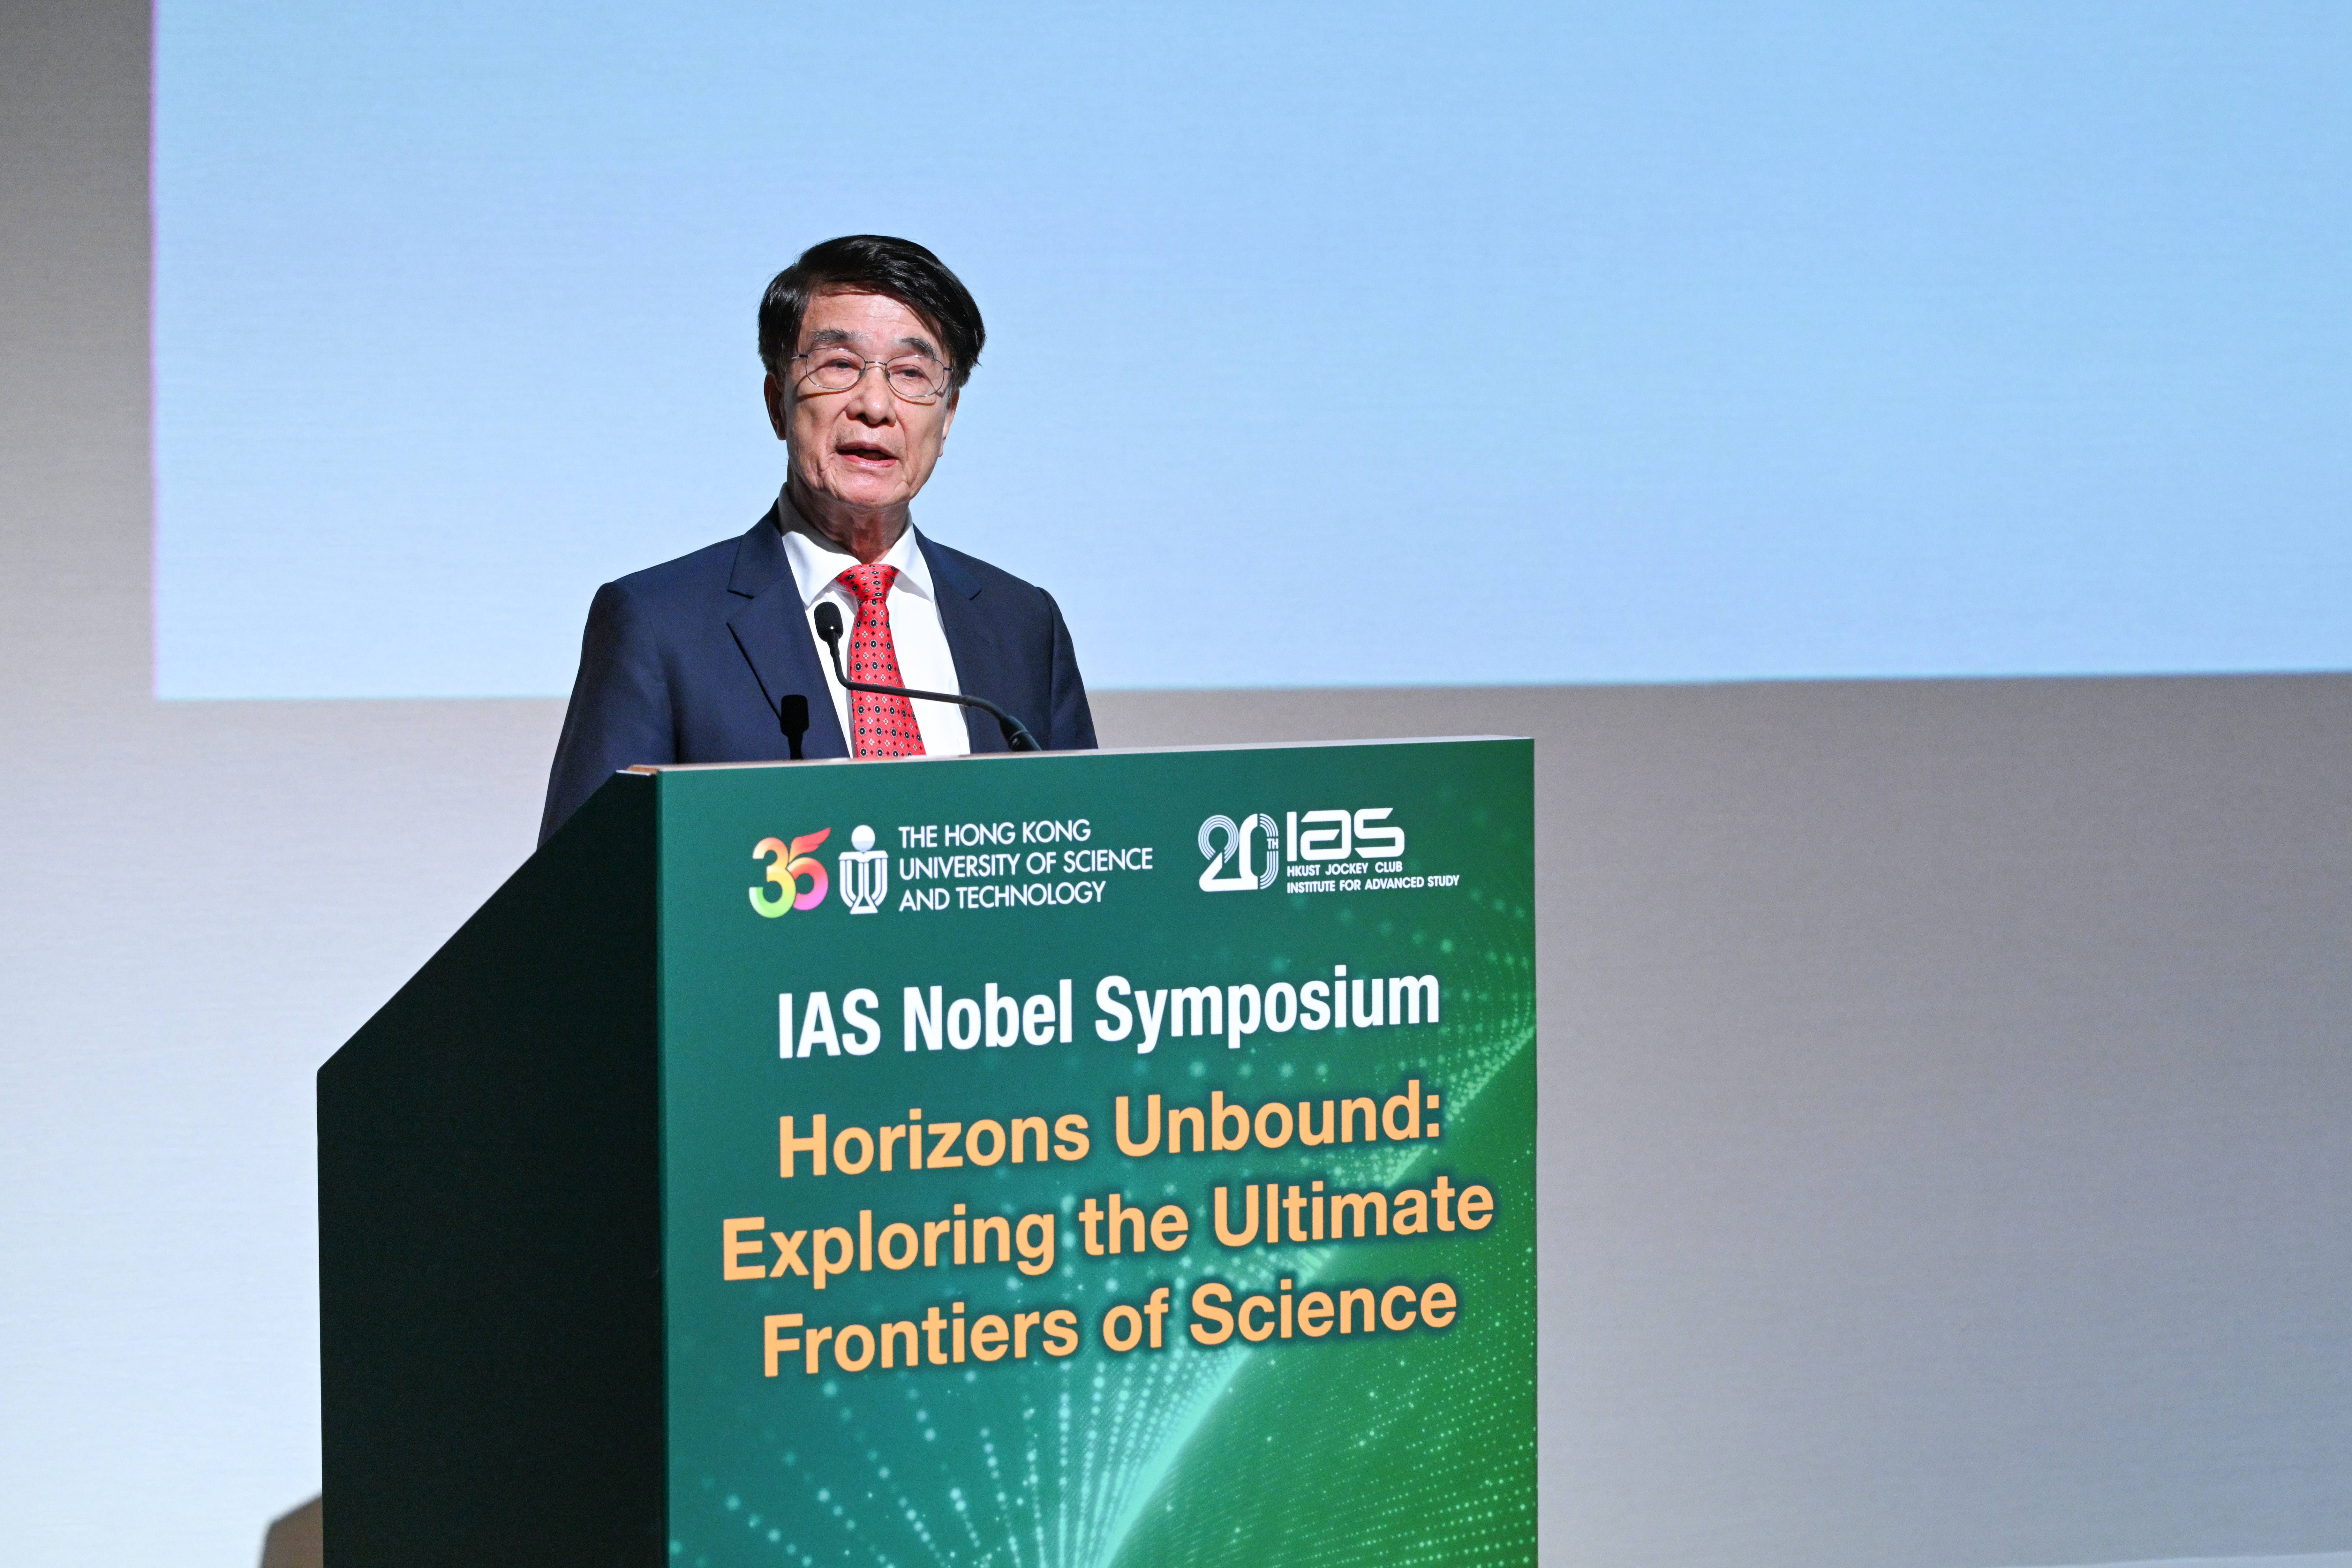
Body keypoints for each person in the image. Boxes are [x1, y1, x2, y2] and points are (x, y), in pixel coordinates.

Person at [539, 235, 1097, 842]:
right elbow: (584, 883)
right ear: (777, 403)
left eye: (912, 374)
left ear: (948, 417)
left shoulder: (1023, 625)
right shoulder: (659, 624)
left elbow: (1085, 858)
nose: (875, 406)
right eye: (839, 365)